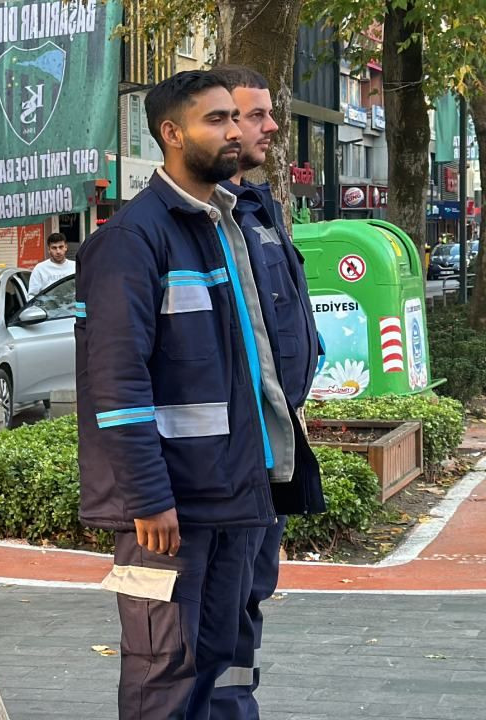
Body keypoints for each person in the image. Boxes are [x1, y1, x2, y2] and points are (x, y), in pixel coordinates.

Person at [74, 70, 316, 720]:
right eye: (220, 120)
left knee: (228, 661)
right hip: (167, 514)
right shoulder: (134, 239)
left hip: (235, 495)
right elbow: (117, 384)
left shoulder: (226, 225)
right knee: (165, 672)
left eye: (238, 119)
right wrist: (148, 500)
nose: (238, 131)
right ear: (171, 133)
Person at [211, 64, 325, 718]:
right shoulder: (173, 226)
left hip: (271, 456)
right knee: (213, 622)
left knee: (246, 608)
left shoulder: (259, 208)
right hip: (221, 469)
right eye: (257, 115)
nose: (273, 126)